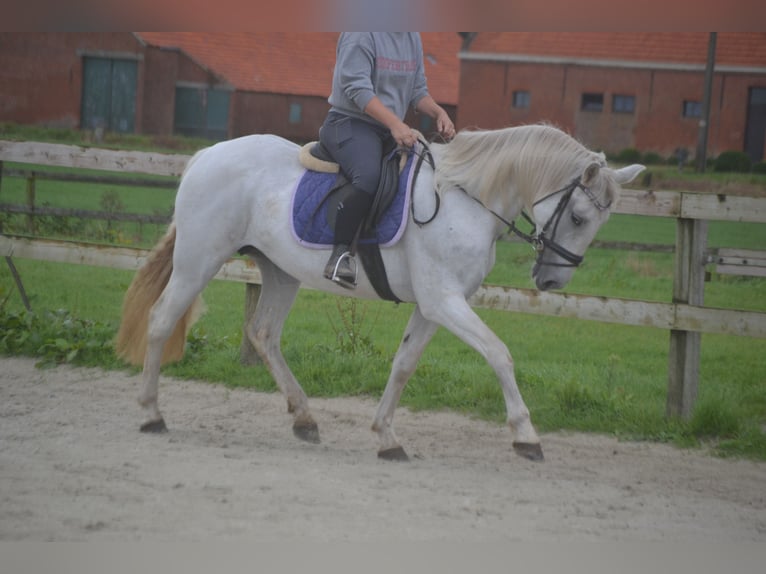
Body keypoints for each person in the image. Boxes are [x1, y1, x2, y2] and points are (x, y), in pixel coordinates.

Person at [319, 32, 455, 288]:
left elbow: (417, 91)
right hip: (349, 123)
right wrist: (396, 124)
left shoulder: (411, 36)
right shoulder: (361, 33)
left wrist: (439, 112)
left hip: (389, 128)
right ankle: (340, 255)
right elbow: (356, 88)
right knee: (368, 176)